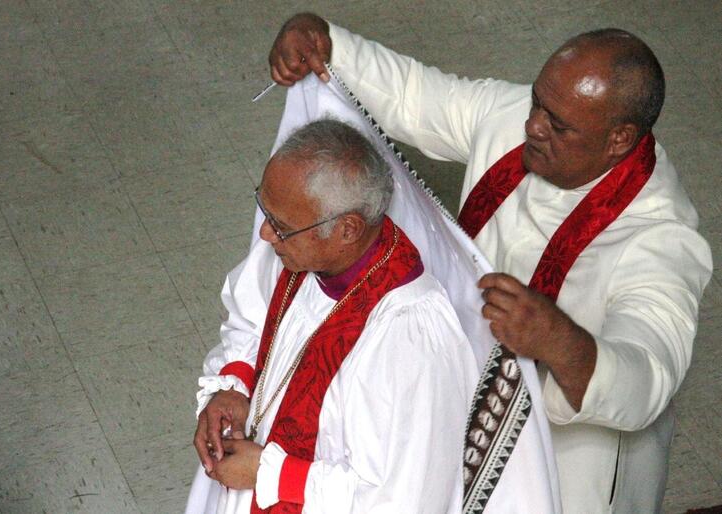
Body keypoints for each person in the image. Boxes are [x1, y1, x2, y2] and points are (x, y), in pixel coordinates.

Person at [267, 13, 714, 513]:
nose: (532, 126)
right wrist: (326, 43)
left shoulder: (663, 238)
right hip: (456, 389)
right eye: (537, 104)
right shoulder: (520, 117)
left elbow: (649, 375)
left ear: (619, 139)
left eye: (557, 125)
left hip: (570, 463)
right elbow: (417, 95)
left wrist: (556, 340)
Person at [185, 119, 478, 513]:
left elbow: (404, 498)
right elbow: (249, 317)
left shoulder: (409, 338)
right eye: (266, 212)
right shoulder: (296, 249)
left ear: (347, 229)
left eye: (282, 227)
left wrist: (268, 474)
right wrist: (233, 385)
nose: (267, 236)